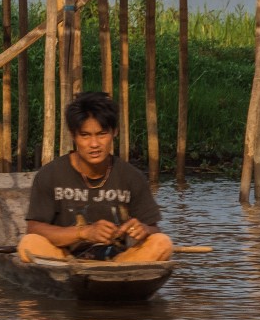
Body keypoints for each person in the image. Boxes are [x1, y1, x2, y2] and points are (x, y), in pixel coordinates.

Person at [18, 90, 172, 264]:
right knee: (29, 244)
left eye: (101, 134)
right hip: (64, 260)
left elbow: (154, 229)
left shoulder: (132, 177)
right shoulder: (50, 174)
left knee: (162, 243)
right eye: (85, 135)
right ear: (73, 135)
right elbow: (34, 228)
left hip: (119, 261)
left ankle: (115, 274)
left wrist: (143, 229)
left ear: (114, 132)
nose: (94, 144)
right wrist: (84, 232)